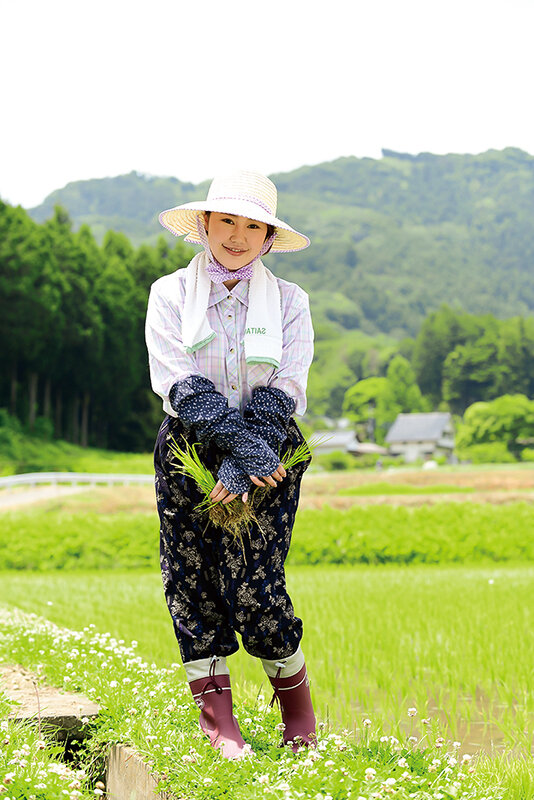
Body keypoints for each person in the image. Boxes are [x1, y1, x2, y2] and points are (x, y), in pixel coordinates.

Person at [145, 170, 315, 759]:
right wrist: (230, 451)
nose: (238, 236)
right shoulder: (169, 294)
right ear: (206, 226)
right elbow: (178, 383)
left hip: (271, 450)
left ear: (269, 237)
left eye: (253, 226)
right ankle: (219, 724)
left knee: (258, 580)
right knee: (192, 581)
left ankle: (297, 709)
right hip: (191, 447)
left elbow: (286, 385)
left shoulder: (291, 301)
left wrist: (245, 463)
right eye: (227, 222)